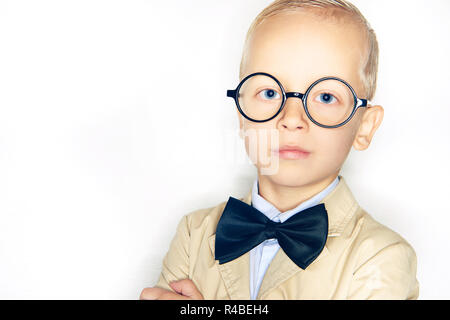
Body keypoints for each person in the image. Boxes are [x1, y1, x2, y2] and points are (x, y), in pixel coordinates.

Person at [140, 0, 419, 300]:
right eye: (270, 93)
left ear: (364, 126)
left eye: (326, 96)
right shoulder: (194, 234)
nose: (291, 119)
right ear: (241, 113)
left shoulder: (381, 257)